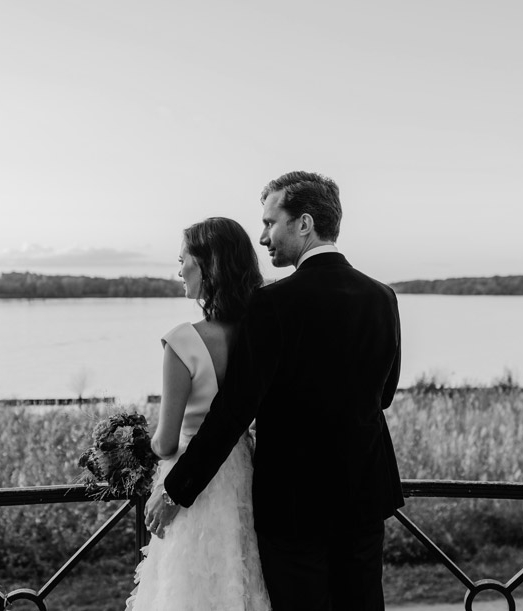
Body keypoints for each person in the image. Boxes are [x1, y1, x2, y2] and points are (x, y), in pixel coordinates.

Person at [146, 171, 404, 610]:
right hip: (363, 493)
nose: (264, 237)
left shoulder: (273, 304)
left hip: (294, 503)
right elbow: (383, 396)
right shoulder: (383, 297)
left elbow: (233, 411)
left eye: (270, 222)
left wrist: (176, 489)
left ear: (304, 224)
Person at [126, 217, 271, 611]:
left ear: (208, 266)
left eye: (182, 259)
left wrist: (137, 443)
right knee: (236, 575)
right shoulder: (256, 334)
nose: (179, 270)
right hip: (241, 475)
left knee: (188, 588)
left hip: (189, 482)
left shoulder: (182, 341)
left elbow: (167, 441)